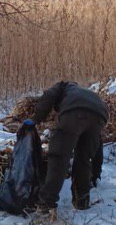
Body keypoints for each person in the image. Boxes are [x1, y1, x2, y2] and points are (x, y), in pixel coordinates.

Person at [23, 81, 108, 213]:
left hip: (74, 113)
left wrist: (35, 120)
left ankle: (46, 205)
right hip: (99, 116)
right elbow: (98, 149)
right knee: (84, 158)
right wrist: (96, 173)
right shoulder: (88, 94)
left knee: (59, 158)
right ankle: (82, 201)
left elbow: (48, 97)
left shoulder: (63, 86)